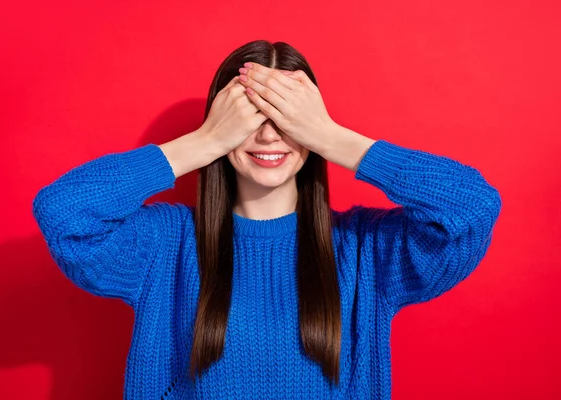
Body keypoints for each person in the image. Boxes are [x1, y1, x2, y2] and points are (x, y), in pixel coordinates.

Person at [32, 40, 502, 399]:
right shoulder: (165, 245)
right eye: (251, 113)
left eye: (287, 116)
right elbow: (64, 212)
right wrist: (201, 144)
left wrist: (329, 136)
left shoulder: (364, 250)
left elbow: (472, 207)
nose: (268, 134)